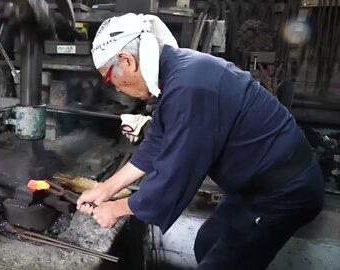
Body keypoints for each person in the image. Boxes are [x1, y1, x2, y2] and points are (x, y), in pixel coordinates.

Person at [76, 13, 324, 269]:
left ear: (127, 61)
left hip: (282, 190)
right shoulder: (177, 73)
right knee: (207, 242)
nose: (115, 88)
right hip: (252, 186)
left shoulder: (190, 87)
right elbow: (156, 144)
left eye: (109, 78)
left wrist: (115, 209)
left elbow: (176, 174)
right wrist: (104, 189)